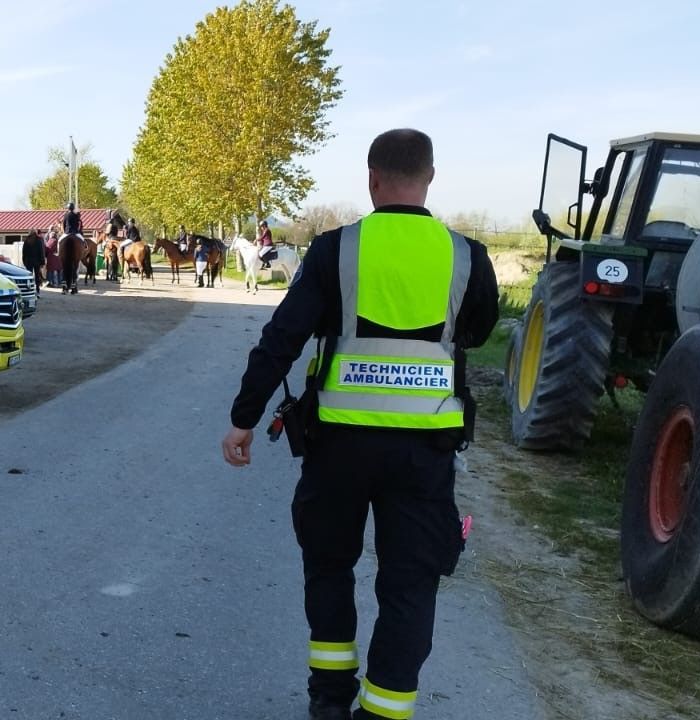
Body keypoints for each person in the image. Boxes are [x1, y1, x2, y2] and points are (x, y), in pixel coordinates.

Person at [220, 129, 499, 720]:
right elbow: (477, 332)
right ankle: (384, 710)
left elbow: (282, 339)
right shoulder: (467, 255)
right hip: (425, 451)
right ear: (430, 176)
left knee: (328, 566)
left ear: (371, 178)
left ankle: (329, 700)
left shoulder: (335, 249)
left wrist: (244, 419)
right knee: (410, 581)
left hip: (338, 445)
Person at [22, 229, 46, 295]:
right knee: (37, 276)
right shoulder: (39, 240)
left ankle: (29, 290)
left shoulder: (26, 240)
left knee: (29, 276)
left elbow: (24, 252)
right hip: (37, 261)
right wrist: (42, 262)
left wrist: (24, 261)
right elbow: (41, 251)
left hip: (28, 261)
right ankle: (37, 290)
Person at [45, 224, 63, 289]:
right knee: (59, 271)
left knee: (50, 271)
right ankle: (60, 283)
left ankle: (50, 282)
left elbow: (46, 251)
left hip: (51, 260)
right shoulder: (59, 242)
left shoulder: (48, 242)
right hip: (59, 259)